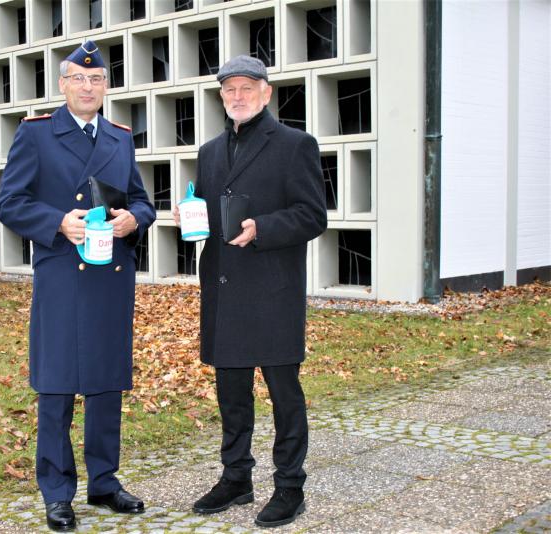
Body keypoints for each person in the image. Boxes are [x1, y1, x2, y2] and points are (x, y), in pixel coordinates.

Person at [0, 40, 156, 532]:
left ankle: (104, 482)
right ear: (63, 84)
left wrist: (135, 220)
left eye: (98, 79)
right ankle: (57, 491)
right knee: (57, 387)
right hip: (63, 276)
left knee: (107, 385)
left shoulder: (120, 137)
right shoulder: (37, 134)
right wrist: (57, 223)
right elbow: (9, 203)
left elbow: (142, 201)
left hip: (110, 279)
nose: (89, 86)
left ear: (107, 87)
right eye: (79, 79)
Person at [174, 55, 327, 528]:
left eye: (246, 87)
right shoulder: (210, 150)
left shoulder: (295, 145)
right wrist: (189, 216)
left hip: (272, 291)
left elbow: (312, 215)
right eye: (228, 90)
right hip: (224, 289)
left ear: (266, 92)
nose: (237, 97)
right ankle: (237, 478)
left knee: (284, 394)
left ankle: (290, 487)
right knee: (231, 394)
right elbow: (208, 208)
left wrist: (261, 227)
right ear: (221, 97)